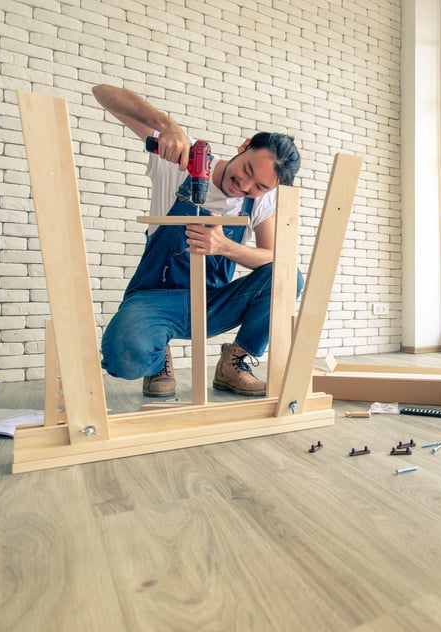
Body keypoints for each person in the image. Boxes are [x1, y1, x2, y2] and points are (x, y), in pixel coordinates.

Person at [92, 84, 303, 398]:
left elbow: (276, 257)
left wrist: (225, 246)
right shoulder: (184, 161)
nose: (244, 185)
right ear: (244, 146)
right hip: (155, 299)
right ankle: (156, 357)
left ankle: (234, 362)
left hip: (211, 303)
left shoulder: (261, 203)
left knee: (288, 276)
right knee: (123, 358)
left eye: (259, 186)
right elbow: (102, 93)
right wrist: (166, 126)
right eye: (247, 169)